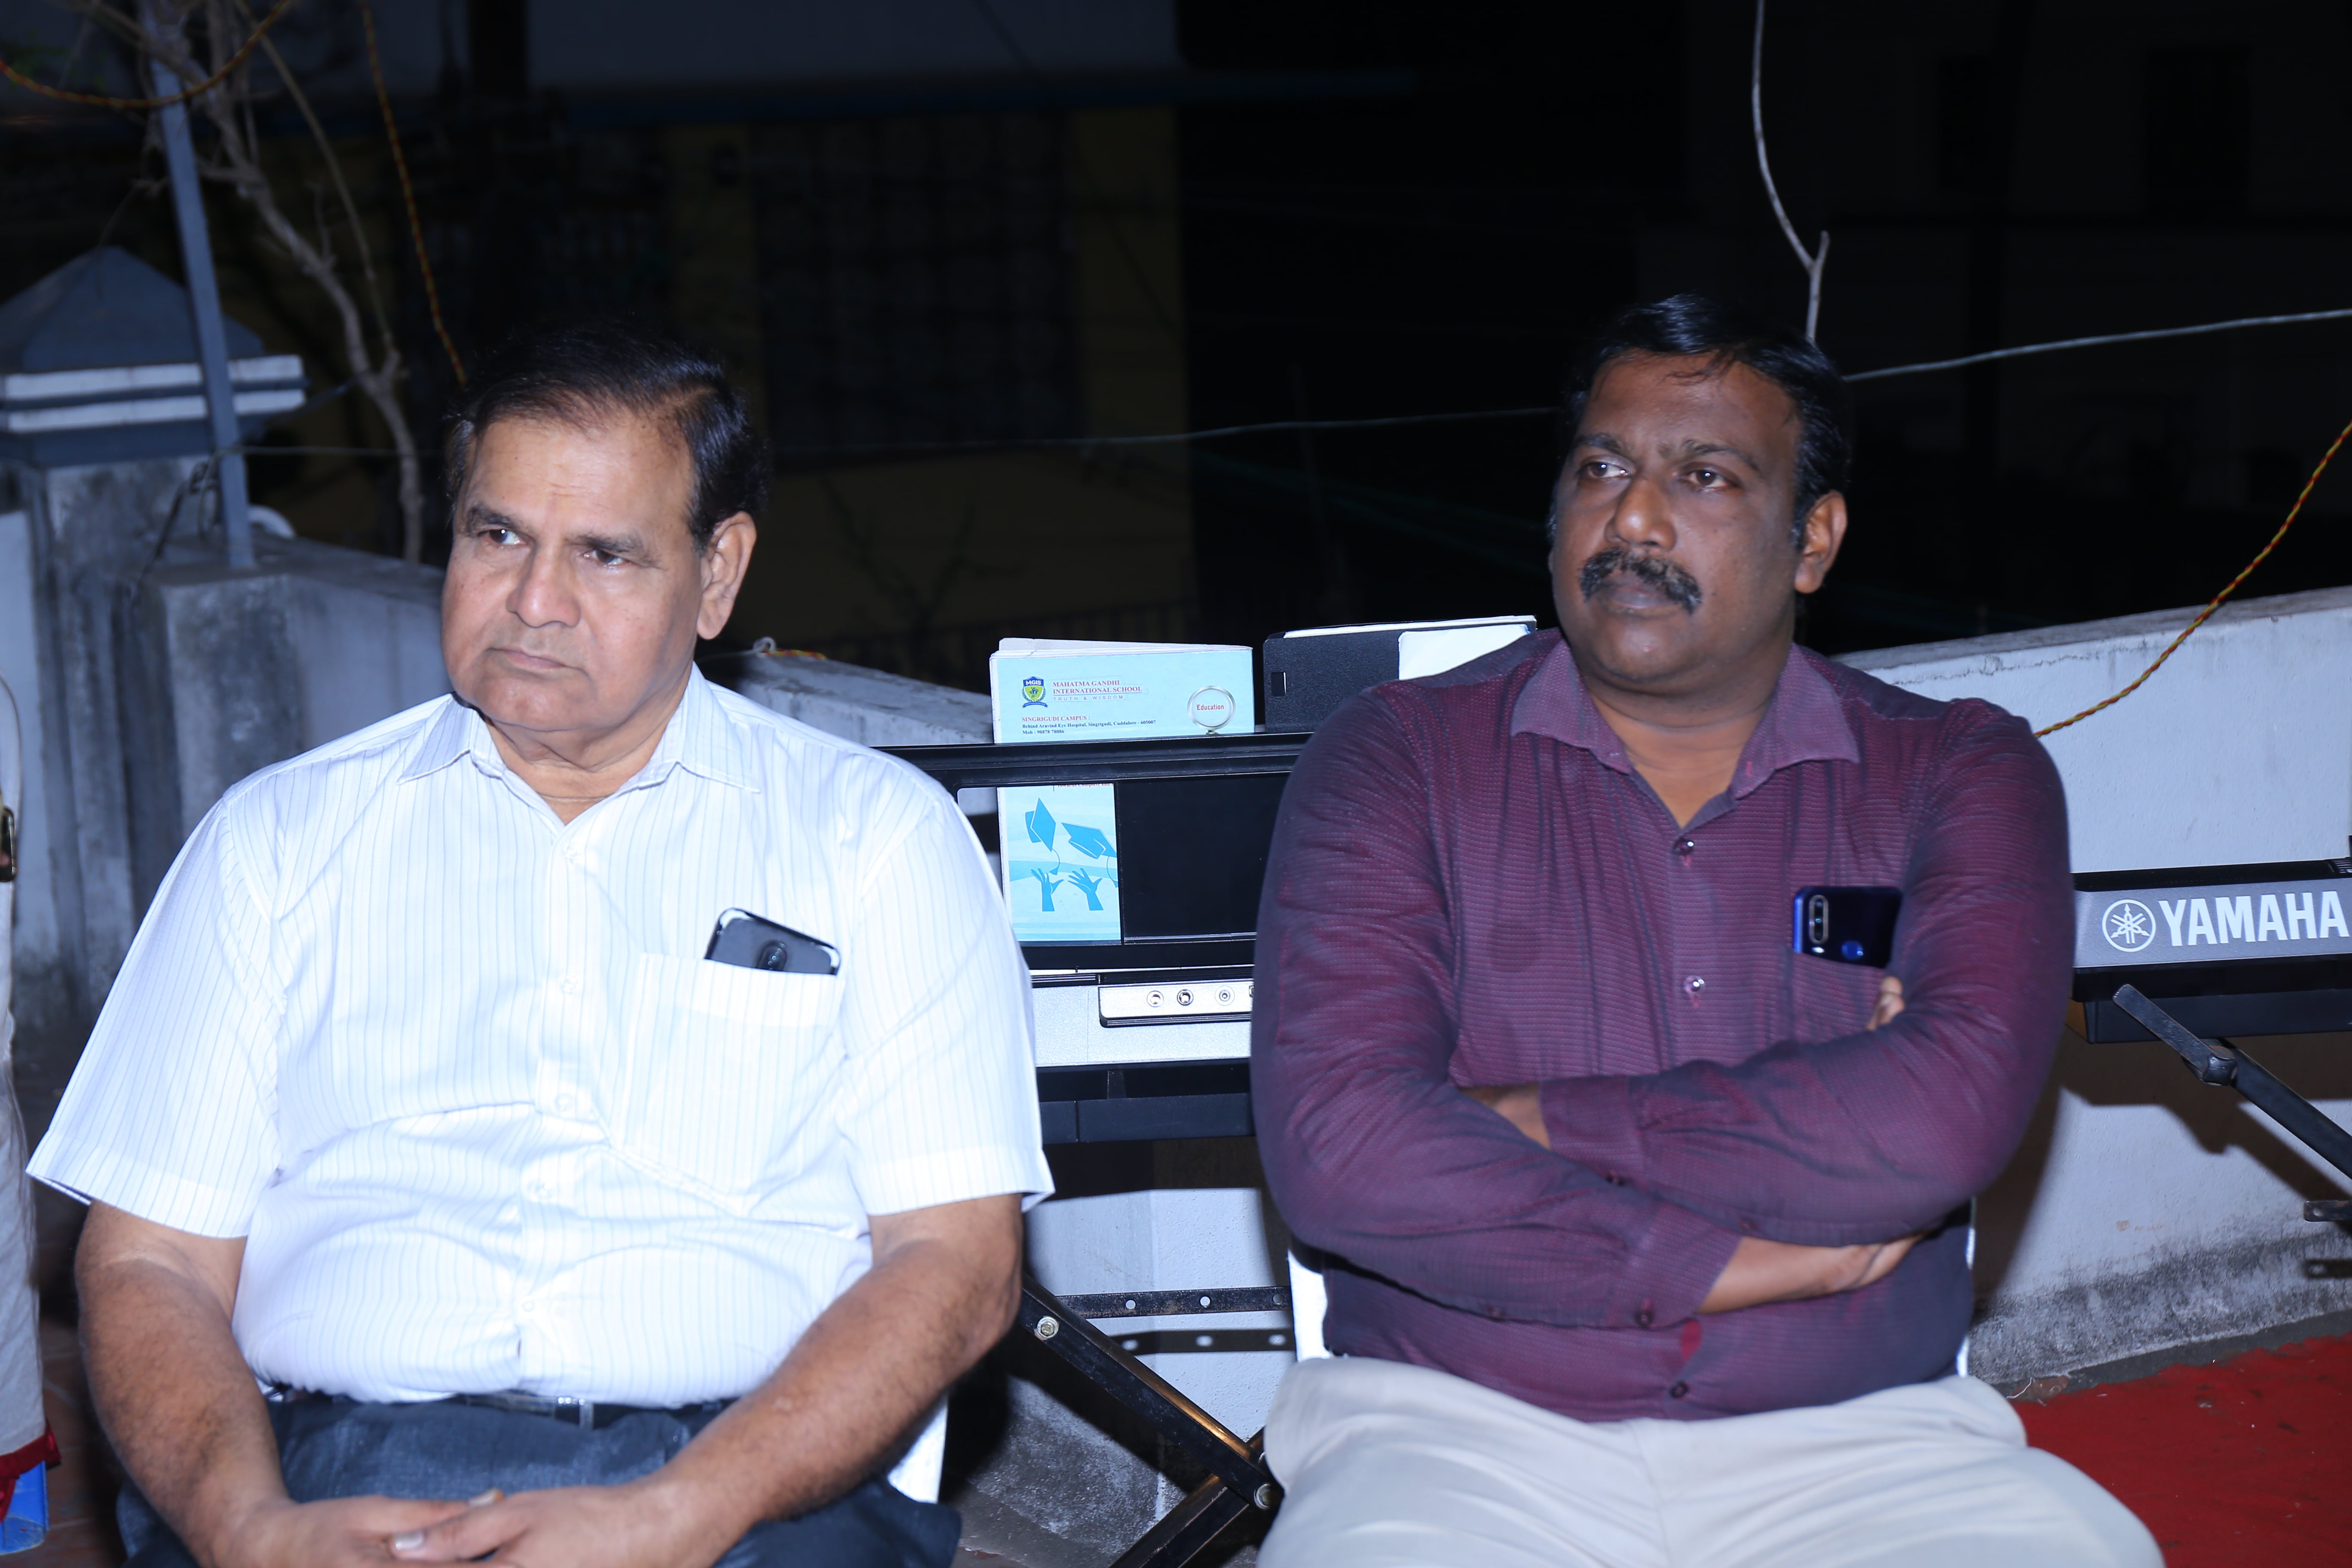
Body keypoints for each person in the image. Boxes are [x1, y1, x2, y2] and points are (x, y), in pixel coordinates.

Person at [29, 320, 1050, 1568]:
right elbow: (152, 1262)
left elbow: (957, 1261)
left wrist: (680, 1516)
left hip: (742, 1488)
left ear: (718, 575)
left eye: (604, 554)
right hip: (337, 1473)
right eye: (497, 535)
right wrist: (251, 1528)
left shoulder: (875, 839)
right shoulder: (276, 843)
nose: (533, 601)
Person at [1249, 295, 2158, 1567]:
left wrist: (1527, 1119)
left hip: (1866, 1446)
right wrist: (1741, 1261)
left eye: (1705, 476)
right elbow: (1343, 1151)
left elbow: (1945, 1119)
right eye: (1601, 469)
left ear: (1813, 541)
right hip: (1455, 1440)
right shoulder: (1396, 761)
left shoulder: (1957, 774)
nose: (1632, 519)